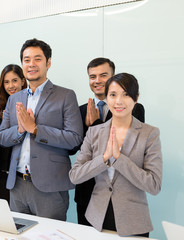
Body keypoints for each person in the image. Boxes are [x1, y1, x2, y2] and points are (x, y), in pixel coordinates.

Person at [0, 38, 83, 221]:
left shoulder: (65, 95)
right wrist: (20, 130)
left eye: (37, 59)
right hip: (17, 185)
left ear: (48, 62)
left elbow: (74, 138)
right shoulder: (14, 99)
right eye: (27, 60)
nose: (31, 64)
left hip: (50, 186)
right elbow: (1, 137)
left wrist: (35, 129)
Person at [69, 73, 162, 237]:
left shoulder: (150, 133)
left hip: (133, 222)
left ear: (136, 98)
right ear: (107, 98)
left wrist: (119, 159)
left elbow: (153, 185)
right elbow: (75, 176)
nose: (119, 101)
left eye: (126, 94)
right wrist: (104, 158)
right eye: (113, 95)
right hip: (96, 218)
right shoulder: (94, 132)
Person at [74, 57, 145, 226]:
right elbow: (75, 147)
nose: (97, 80)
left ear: (113, 78)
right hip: (88, 193)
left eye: (103, 75)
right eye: (92, 76)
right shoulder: (81, 110)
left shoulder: (134, 108)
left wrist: (96, 125)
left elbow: (126, 147)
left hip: (121, 195)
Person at [0, 64, 27, 202]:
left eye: (14, 80)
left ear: (23, 81)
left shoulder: (31, 104)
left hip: (23, 170)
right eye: (6, 82)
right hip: (4, 171)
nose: (11, 86)